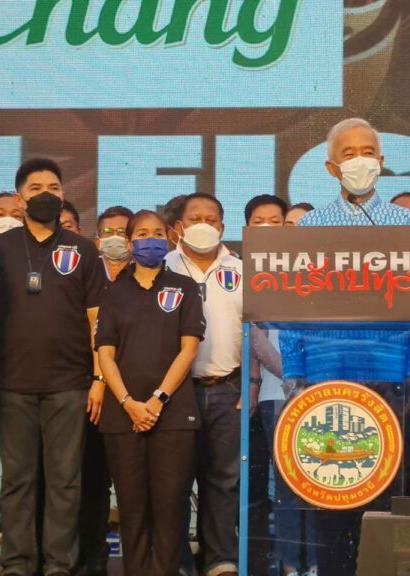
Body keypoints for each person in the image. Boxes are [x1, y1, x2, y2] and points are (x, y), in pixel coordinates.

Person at [279, 118, 410, 575]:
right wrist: (293, 369)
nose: (359, 160)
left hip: (389, 374)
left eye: (367, 152)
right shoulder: (312, 226)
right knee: (331, 492)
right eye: (348, 153)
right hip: (326, 376)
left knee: (384, 498)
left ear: (381, 161)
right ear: (331, 167)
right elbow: (291, 301)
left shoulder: (405, 223)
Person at [0, 158, 104, 576]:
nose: (46, 194)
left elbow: (97, 318)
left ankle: (59, 564)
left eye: (53, 188)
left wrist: (98, 377)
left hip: (70, 384)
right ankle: (17, 563)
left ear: (63, 195)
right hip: (11, 382)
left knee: (65, 481)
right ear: (20, 199)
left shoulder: (82, 249)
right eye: (35, 188)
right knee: (17, 481)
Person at [96, 209, 204, 576]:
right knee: (131, 508)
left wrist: (158, 400)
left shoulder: (185, 287)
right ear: (129, 242)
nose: (150, 239)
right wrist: (129, 403)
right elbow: (105, 354)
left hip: (173, 414)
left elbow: (189, 349)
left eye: (158, 233)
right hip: (122, 415)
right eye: (141, 234)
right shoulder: (113, 291)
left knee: (170, 507)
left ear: (170, 239)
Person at [165, 192, 242, 576]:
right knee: (175, 481)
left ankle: (220, 560)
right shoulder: (161, 267)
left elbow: (256, 329)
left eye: (211, 220)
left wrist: (250, 384)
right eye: (195, 219)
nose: (203, 225)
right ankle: (177, 561)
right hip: (175, 393)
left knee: (224, 481)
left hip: (228, 389)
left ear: (223, 227)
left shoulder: (241, 269)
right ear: (178, 227)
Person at [243, 194, 319, 576]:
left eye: (305, 226)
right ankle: (290, 565)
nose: (295, 231)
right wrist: (291, 377)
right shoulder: (265, 273)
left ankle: (318, 563)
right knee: (288, 488)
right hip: (279, 395)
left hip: (323, 395)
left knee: (321, 485)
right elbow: (256, 336)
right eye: (290, 225)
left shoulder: (329, 276)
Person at [74, 204, 133, 576]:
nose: (114, 239)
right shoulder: (83, 273)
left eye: (122, 232)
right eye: (107, 232)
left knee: (132, 484)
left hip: (135, 394)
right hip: (92, 392)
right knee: (91, 481)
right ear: (96, 240)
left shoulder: (148, 276)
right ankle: (92, 559)